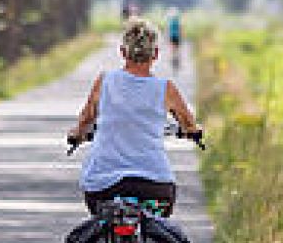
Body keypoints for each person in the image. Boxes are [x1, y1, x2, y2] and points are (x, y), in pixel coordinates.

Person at [67, 17, 200, 217]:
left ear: (122, 52)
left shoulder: (104, 82)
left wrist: (77, 134)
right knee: (164, 230)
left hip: (103, 186)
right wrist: (193, 132)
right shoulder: (166, 89)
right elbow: (189, 123)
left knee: (96, 225)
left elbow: (86, 119)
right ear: (155, 54)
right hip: (154, 186)